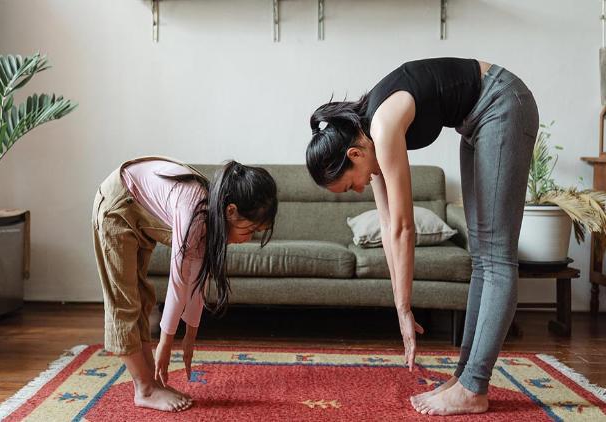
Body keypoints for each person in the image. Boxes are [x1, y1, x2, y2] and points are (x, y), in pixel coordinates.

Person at [306, 58, 538, 416]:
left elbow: (404, 227)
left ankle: (474, 386)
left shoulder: (381, 127)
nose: (357, 190)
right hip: (476, 120)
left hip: (502, 103)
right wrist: (400, 305)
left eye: (350, 184)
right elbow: (388, 226)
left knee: (495, 256)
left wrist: (405, 309)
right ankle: (465, 378)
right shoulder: (370, 137)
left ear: (354, 155)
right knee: (482, 258)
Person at [92, 157, 278, 412]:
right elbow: (178, 280)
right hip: (117, 207)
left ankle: (151, 383)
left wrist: (189, 338)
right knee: (123, 302)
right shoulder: (195, 211)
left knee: (142, 298)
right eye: (251, 229)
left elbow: (195, 281)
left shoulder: (211, 217)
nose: (249, 239)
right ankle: (144, 389)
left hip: (137, 212)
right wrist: (166, 344)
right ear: (231, 211)